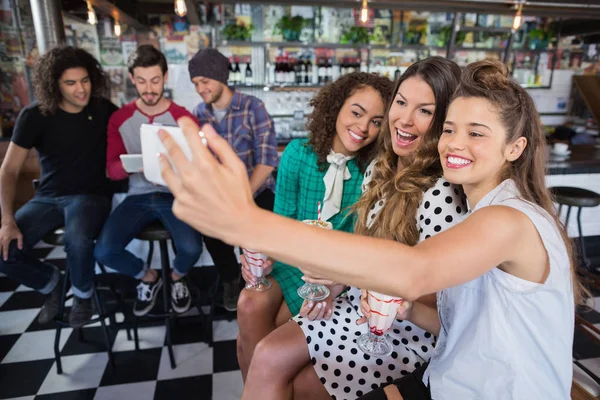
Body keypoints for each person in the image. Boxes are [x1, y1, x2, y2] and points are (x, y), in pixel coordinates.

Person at [158, 59, 585, 399]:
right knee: (267, 349)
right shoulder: (475, 206)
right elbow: (452, 317)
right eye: (451, 129)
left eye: (476, 133)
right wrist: (393, 301)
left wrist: (246, 222)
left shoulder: (507, 217)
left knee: (289, 373)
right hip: (449, 377)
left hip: (486, 386)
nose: (455, 143)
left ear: (515, 148)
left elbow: (416, 272)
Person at [243, 57, 465, 399]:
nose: (404, 119)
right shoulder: (379, 166)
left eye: (424, 110)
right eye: (402, 103)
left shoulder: (442, 193)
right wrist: (339, 282)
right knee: (268, 354)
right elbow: (363, 248)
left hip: (403, 326)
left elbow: (437, 297)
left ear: (444, 121)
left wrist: (350, 279)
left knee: (294, 381)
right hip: (359, 302)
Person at [237, 72, 394, 380]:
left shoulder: (375, 171)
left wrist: (335, 280)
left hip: (335, 273)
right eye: (356, 112)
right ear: (336, 107)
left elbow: (363, 244)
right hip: (292, 260)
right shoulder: (298, 153)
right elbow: (281, 223)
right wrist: (263, 259)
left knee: (264, 337)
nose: (363, 127)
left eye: (377, 121)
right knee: (248, 303)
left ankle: (267, 384)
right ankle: (260, 387)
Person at [0, 46, 116, 327]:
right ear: (54, 84)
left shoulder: (103, 110)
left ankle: (82, 295)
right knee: (4, 251)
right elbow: (9, 169)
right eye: (71, 83)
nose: (81, 89)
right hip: (48, 197)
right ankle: (52, 282)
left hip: (91, 195)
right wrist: (6, 221)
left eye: (85, 80)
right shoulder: (35, 115)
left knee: (76, 239)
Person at [94, 45, 203, 317]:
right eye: (141, 81)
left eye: (155, 80)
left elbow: (197, 166)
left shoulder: (183, 117)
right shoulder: (119, 119)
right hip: (138, 196)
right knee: (104, 251)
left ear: (165, 77)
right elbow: (111, 171)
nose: (149, 88)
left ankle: (177, 278)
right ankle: (149, 277)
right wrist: (137, 163)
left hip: (174, 194)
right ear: (132, 78)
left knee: (191, 248)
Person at [188, 48, 279, 311]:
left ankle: (266, 285)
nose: (201, 89)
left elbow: (267, 161)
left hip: (257, 189)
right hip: (220, 193)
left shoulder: (253, 107)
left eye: (205, 81)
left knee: (261, 235)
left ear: (221, 77)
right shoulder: (199, 112)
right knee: (211, 231)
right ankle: (230, 279)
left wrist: (242, 195)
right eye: (196, 84)